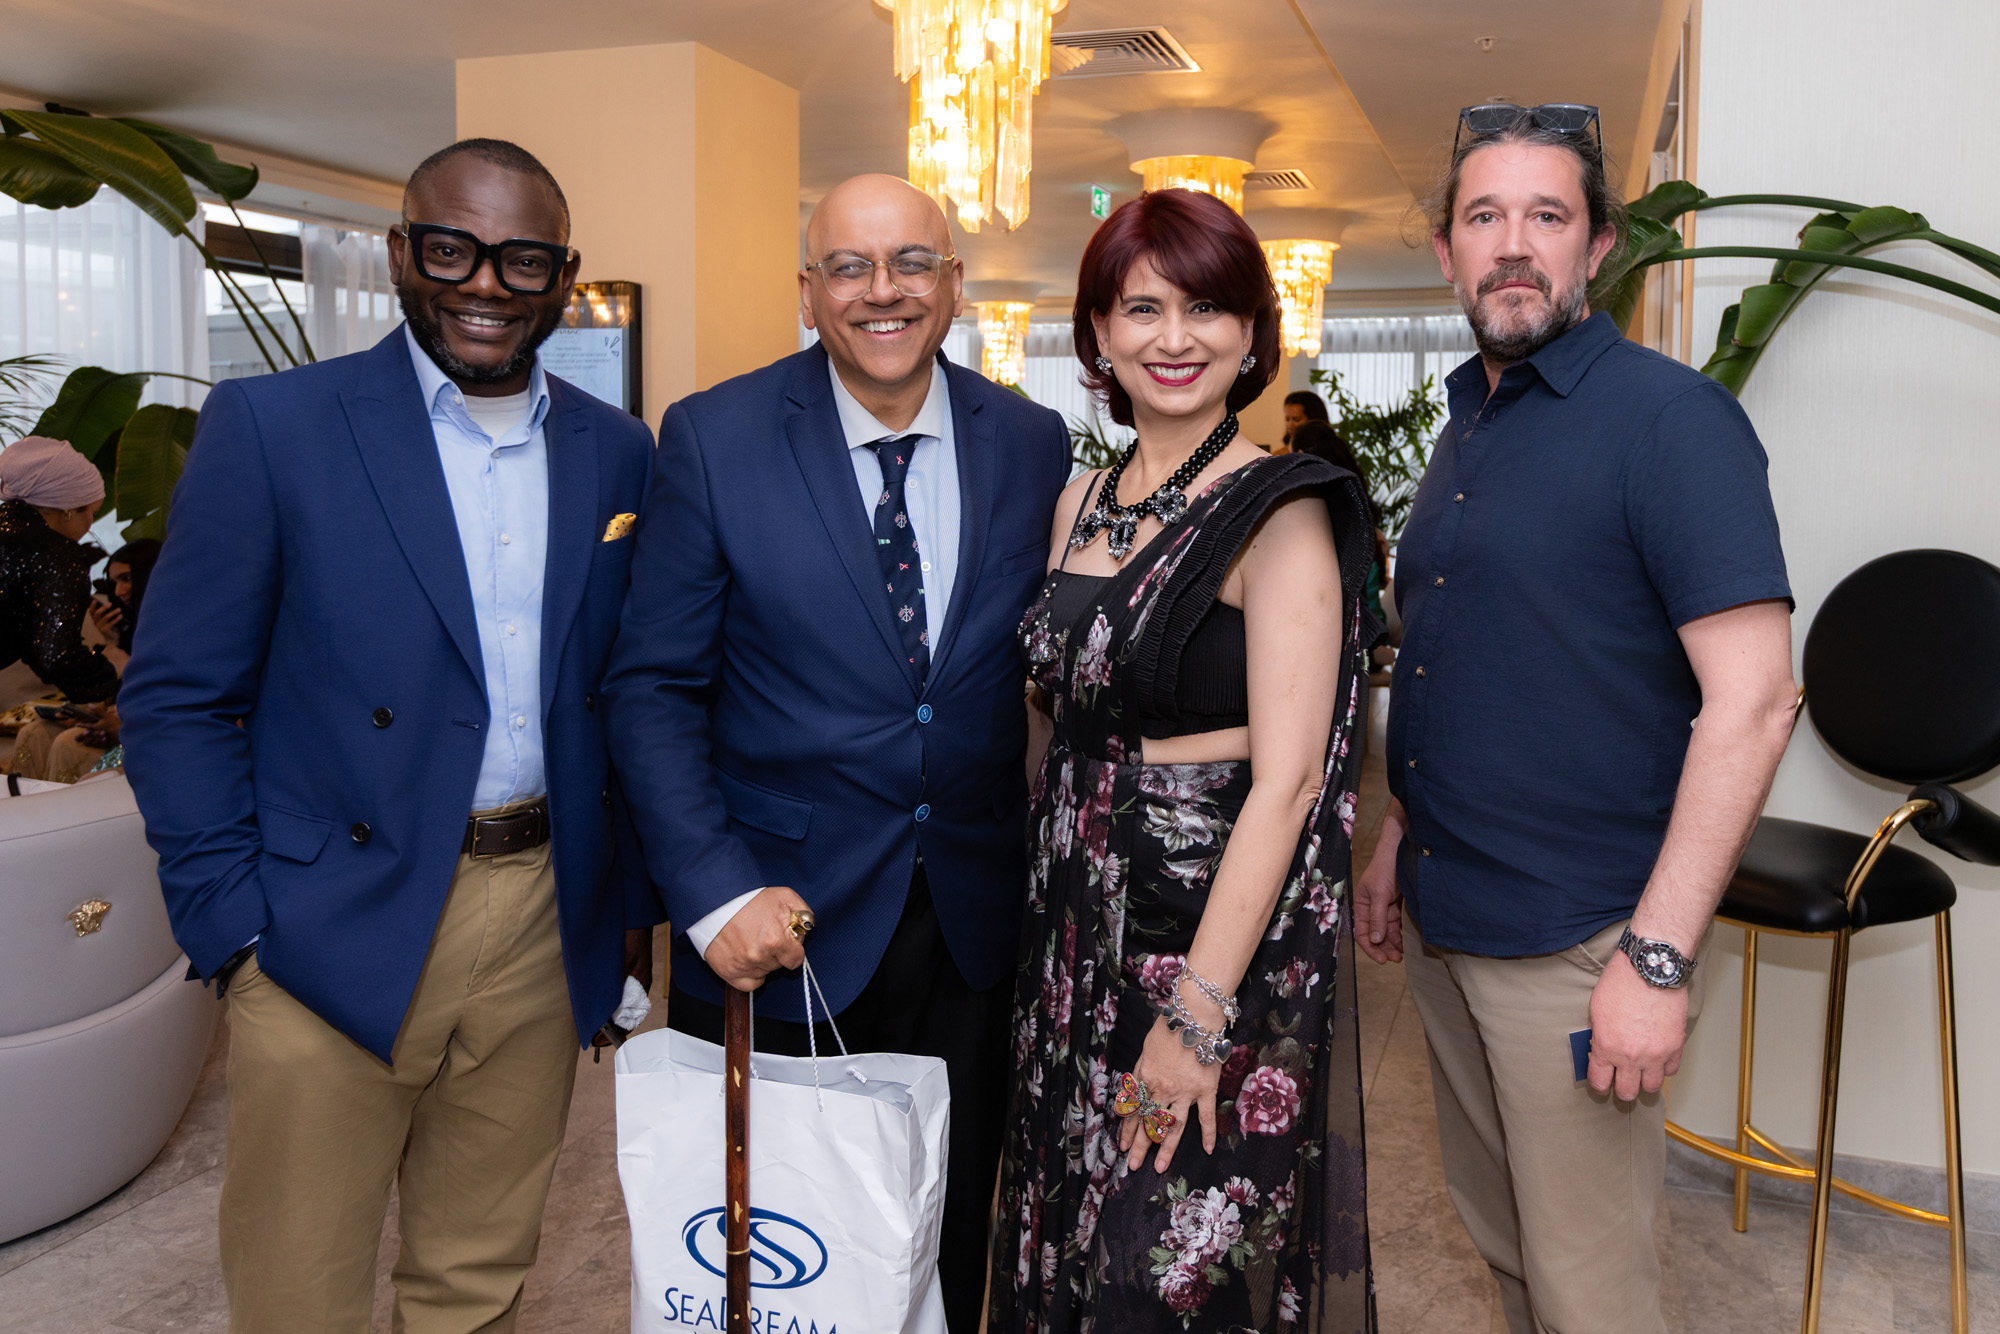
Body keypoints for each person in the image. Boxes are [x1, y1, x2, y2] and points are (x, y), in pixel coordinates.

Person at [119, 139, 659, 1333]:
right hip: (327, 918)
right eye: (451, 249)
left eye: (522, 259)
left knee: (478, 1276)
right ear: (400, 252)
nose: (485, 284)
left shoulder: (617, 448)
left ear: (562, 276)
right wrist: (233, 925)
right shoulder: (276, 424)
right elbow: (178, 696)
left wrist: (621, 908)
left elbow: (623, 694)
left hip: (541, 912)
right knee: (298, 1289)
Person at [1353, 104, 1796, 1334]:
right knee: (1503, 1243)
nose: (1512, 244)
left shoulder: (1669, 421)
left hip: (1575, 937)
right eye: (1482, 216)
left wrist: (1653, 959)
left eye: (1545, 215)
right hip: (1451, 910)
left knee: (1587, 1291)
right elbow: (1464, 651)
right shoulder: (1468, 423)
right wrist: (1396, 832)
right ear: (1444, 249)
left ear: (1596, 244)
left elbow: (1754, 701)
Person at [602, 173, 1070, 1334]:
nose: (881, 291)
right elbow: (653, 686)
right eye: (849, 267)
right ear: (807, 292)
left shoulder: (1028, 440)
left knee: (942, 1236)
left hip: (970, 925)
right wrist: (712, 893)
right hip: (774, 919)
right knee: (781, 1256)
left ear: (952, 284)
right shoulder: (712, 437)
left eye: (910, 262)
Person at [992, 188, 1379, 1332]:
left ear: (1251, 333)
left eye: (1205, 308)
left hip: (1195, 935)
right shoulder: (1078, 499)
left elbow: (1292, 781)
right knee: (1061, 1234)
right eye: (1141, 307)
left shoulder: (1277, 511)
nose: (1174, 337)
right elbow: (1054, 706)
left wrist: (1197, 1015)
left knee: (1156, 1265)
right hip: (1067, 932)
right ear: (1097, 333)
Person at [0, 436, 120, 703]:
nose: (90, 525)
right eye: (92, 512)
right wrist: (115, 675)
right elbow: (56, 656)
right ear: (68, 509)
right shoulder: (56, 554)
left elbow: (34, 644)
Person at [1289, 420, 1390, 652]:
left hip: (1334, 639)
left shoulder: (1306, 506)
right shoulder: (1351, 495)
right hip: (1365, 633)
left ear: (1300, 455)